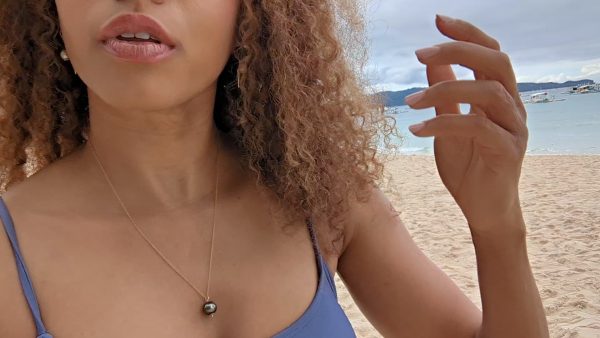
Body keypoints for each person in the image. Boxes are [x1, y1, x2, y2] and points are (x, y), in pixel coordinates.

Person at [0, 0, 549, 337]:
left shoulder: (324, 202)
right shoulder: (9, 256)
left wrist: (497, 223)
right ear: (49, 12)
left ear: (252, 16)